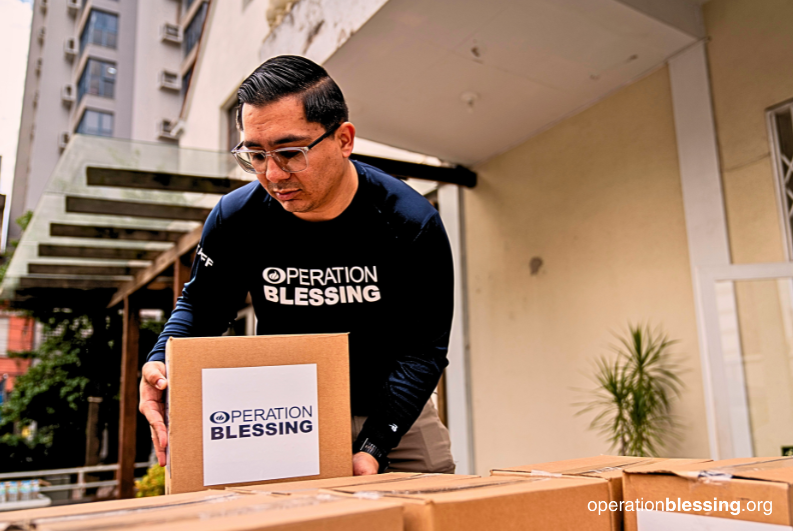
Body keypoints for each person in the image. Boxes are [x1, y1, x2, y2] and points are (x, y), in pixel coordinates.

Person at [139, 55, 455, 476]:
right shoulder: (236, 219)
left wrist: (375, 444)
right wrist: (162, 358)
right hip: (285, 413)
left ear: (344, 139)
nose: (272, 174)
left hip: (396, 407)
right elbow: (203, 306)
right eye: (255, 154)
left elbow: (423, 349)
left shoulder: (409, 222)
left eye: (290, 153)